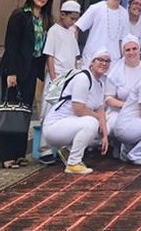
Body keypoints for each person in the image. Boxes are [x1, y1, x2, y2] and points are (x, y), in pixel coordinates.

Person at [0, 0, 54, 169]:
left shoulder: (45, 19)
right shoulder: (20, 16)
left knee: (24, 113)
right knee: (10, 112)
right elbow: (11, 45)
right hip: (15, 70)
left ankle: (19, 154)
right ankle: (6, 156)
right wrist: (11, 72)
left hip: (31, 71)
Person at [42, 46, 111, 175]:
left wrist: (105, 135)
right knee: (92, 123)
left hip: (70, 124)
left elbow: (100, 109)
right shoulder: (83, 78)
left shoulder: (100, 83)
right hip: (54, 127)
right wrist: (98, 119)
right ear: (92, 62)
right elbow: (78, 109)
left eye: (107, 61)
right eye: (100, 60)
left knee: (106, 126)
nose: (104, 63)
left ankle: (68, 150)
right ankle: (73, 163)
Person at [105, 37, 141, 143]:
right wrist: (128, 106)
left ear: (139, 50)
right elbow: (108, 99)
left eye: (134, 49)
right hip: (119, 112)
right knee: (114, 124)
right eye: (127, 50)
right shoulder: (115, 72)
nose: (131, 52)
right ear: (123, 52)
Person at [76, 0, 130, 64]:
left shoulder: (125, 13)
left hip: (113, 61)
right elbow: (76, 28)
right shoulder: (96, 8)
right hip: (93, 58)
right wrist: (74, 53)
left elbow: (122, 40)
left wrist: (123, 60)